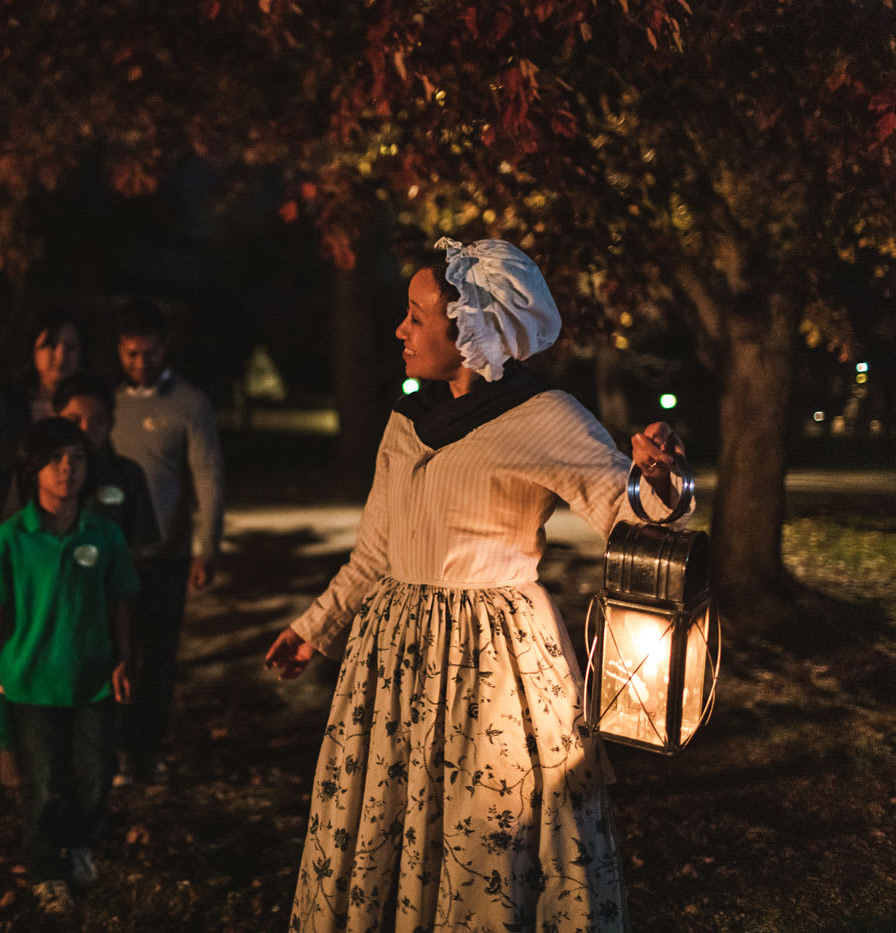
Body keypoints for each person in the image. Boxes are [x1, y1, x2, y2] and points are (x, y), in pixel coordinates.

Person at [264, 238, 688, 932]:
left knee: (486, 833)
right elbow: (376, 548)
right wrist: (316, 626)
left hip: (491, 667)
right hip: (395, 659)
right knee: (394, 823)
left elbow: (629, 509)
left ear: (472, 327)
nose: (401, 330)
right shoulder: (407, 421)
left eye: (417, 316)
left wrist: (661, 477)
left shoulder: (543, 415)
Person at [0, 417, 140, 915]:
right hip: (31, 677)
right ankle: (46, 868)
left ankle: (80, 844)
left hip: (92, 677)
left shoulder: (104, 533)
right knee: (45, 781)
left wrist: (123, 659)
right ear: (33, 469)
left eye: (76, 458)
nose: (66, 468)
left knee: (95, 774)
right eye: (54, 459)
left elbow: (119, 601)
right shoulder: (14, 534)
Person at [0, 311, 82, 786]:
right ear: (31, 353)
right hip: (4, 541)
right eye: (50, 346)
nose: (60, 357)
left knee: (62, 637)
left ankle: (57, 747)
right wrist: (14, 502)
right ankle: (9, 745)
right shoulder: (2, 405)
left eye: (70, 346)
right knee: (6, 641)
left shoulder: (83, 406)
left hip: (64, 543)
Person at [108, 298, 225, 785]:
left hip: (166, 557)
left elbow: (209, 476)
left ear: (164, 349)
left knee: (156, 660)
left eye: (149, 353)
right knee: (115, 655)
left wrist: (207, 546)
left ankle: (146, 750)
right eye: (132, 354)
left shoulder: (189, 404)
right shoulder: (107, 405)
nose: (140, 363)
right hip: (114, 555)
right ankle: (114, 750)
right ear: (119, 351)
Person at [53, 372, 159, 554]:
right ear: (55, 420)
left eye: (97, 421)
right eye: (74, 420)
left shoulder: (128, 476)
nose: (85, 429)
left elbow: (141, 546)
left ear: (110, 423)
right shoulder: (37, 470)